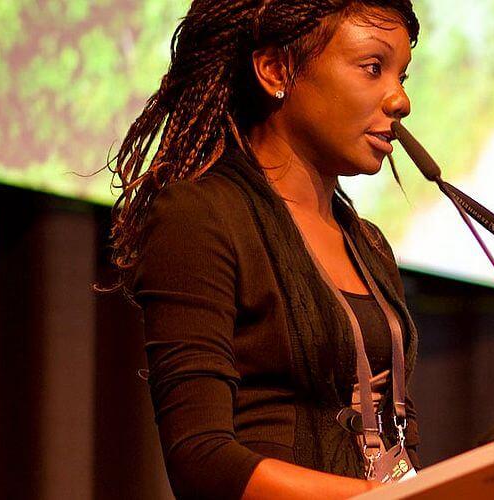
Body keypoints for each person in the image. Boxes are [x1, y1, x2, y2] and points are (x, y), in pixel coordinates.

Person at [105, 0, 424, 497]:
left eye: (403, 75)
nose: (400, 100)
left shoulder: (369, 246)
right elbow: (201, 459)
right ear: (276, 70)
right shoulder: (201, 217)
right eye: (372, 68)